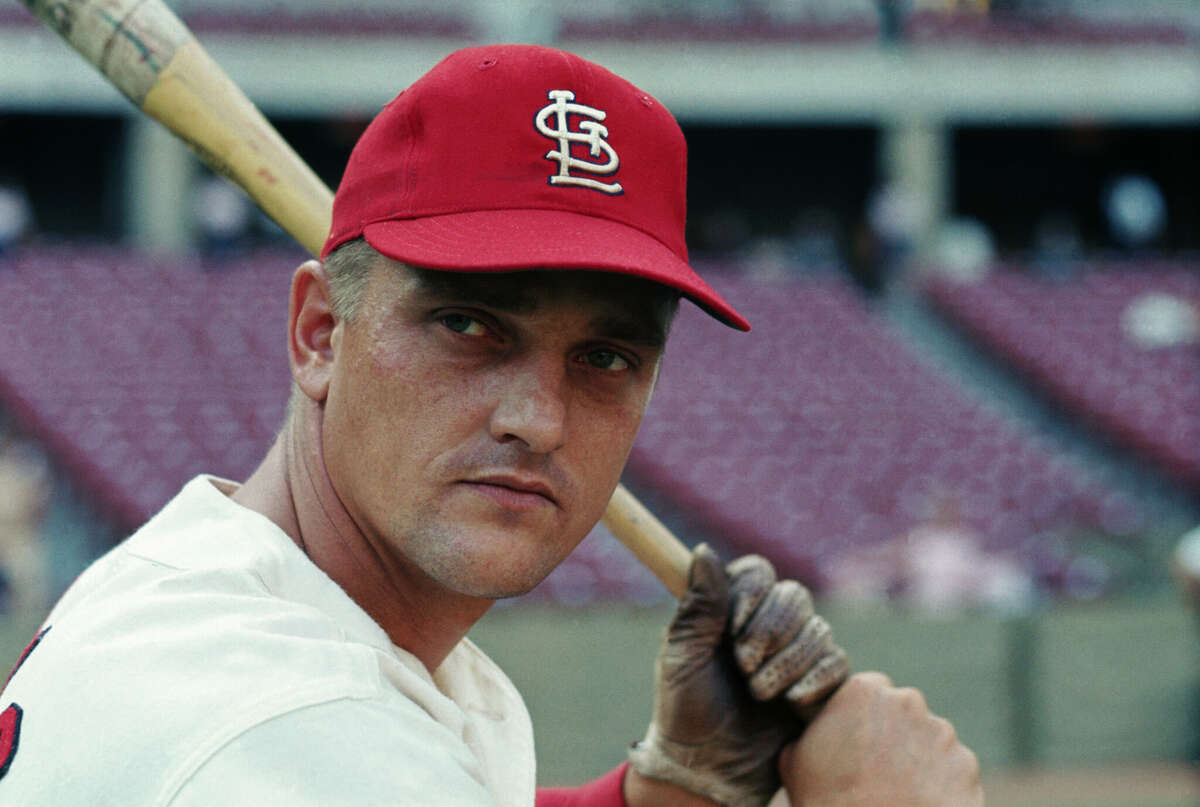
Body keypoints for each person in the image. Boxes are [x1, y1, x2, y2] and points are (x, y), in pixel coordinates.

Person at [0, 45, 981, 806]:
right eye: (469, 325)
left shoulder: (209, 590)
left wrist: (676, 787)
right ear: (318, 335)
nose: (539, 420)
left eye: (606, 357)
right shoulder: (292, 722)